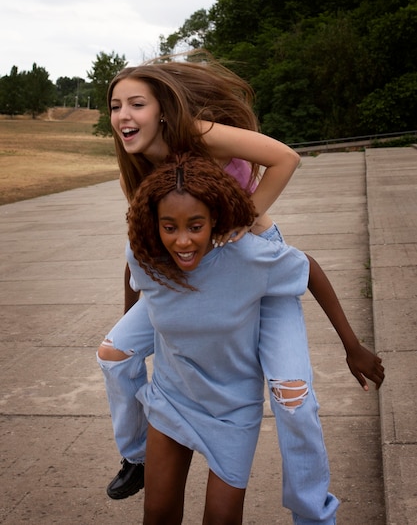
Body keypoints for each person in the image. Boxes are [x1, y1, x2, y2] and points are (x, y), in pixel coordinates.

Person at [97, 53, 384, 523]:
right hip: (196, 263)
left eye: (136, 104)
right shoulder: (142, 170)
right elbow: (142, 256)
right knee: (113, 353)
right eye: (114, 106)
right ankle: (137, 458)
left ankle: (313, 514)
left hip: (252, 256)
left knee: (293, 396)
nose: (123, 116)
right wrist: (133, 313)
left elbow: (285, 158)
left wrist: (242, 216)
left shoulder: (196, 133)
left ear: (163, 110)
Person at [125, 153, 316, 524]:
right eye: (170, 227)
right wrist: (125, 321)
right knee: (158, 513)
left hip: (232, 411)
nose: (182, 241)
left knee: (221, 518)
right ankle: (130, 457)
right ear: (156, 225)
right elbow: (133, 271)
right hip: (172, 398)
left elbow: (309, 270)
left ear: (214, 219)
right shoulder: (148, 257)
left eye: (195, 226)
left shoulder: (245, 257)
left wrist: (352, 347)